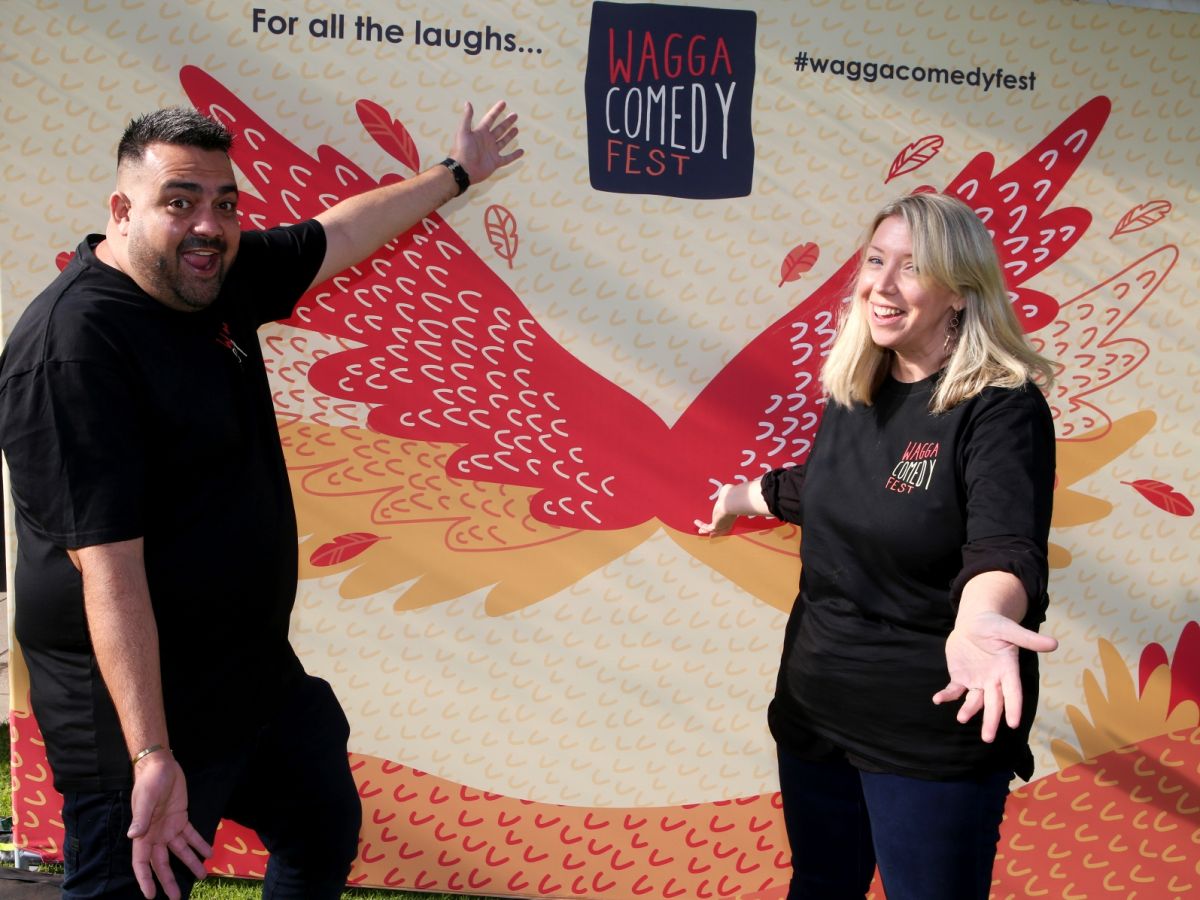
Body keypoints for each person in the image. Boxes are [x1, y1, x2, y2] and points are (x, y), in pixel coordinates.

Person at [0, 101, 521, 899]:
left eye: (225, 202)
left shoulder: (212, 276)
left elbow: (337, 235)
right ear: (121, 210)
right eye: (180, 201)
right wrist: (150, 755)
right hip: (137, 714)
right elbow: (106, 569)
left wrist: (456, 175)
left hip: (248, 678)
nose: (209, 224)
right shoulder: (72, 351)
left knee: (321, 826)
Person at [696, 192, 1059, 900]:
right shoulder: (858, 382)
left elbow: (1003, 544)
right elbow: (841, 489)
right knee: (822, 884)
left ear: (960, 290)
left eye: (912, 268)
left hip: (925, 725)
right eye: (874, 262)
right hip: (815, 705)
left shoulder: (1000, 406)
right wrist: (745, 497)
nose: (881, 286)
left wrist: (983, 616)